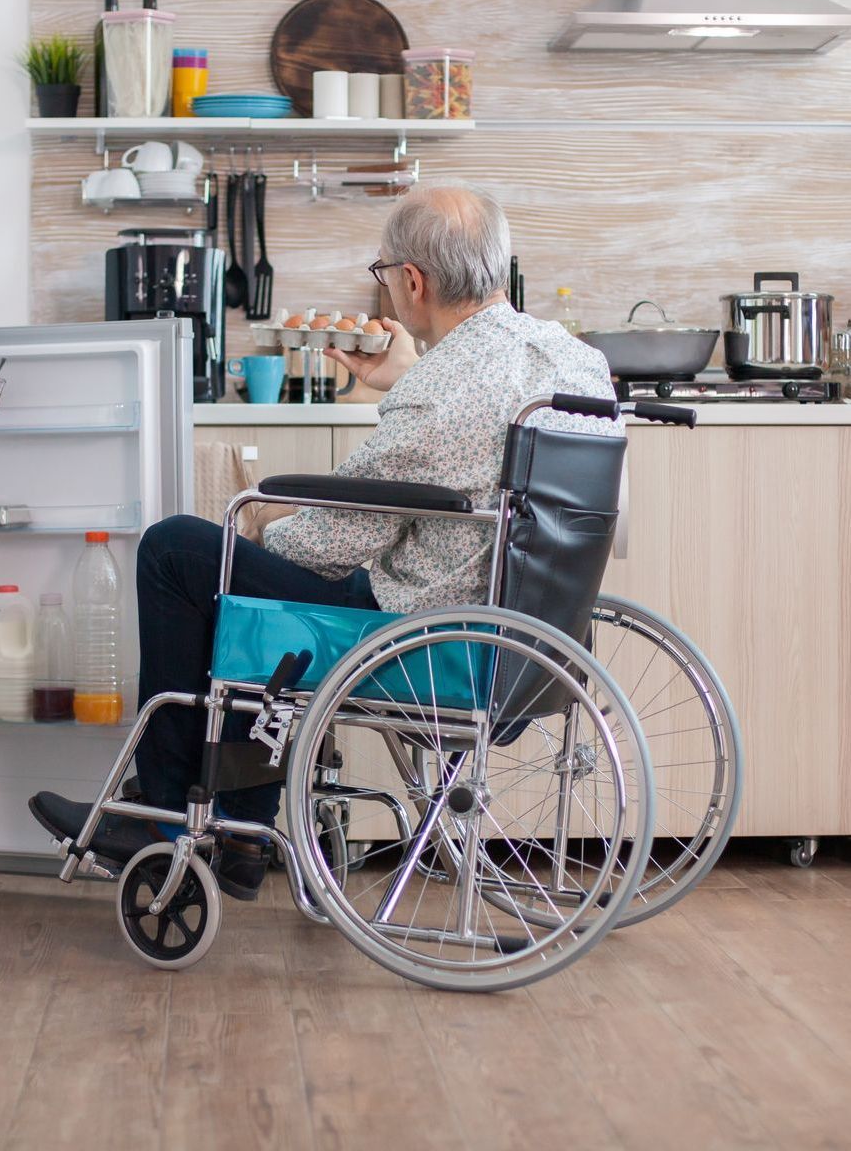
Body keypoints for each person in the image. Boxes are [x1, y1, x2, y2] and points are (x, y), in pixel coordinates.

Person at [30, 184, 620, 900]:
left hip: (425, 643)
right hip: (527, 643)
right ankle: (239, 833)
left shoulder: (441, 391)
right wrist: (409, 376)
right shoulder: (574, 360)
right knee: (248, 597)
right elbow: (480, 433)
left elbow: (329, 544)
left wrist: (253, 523)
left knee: (181, 553)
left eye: (385, 275)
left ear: (411, 281)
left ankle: (169, 822)